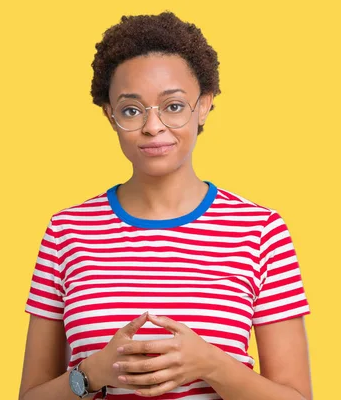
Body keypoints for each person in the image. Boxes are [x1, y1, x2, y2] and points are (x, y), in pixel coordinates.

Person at [18, 11, 312, 400]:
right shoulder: (66, 231)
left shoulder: (260, 230)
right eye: (131, 110)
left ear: (203, 105)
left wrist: (211, 365)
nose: (152, 126)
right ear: (110, 115)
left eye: (172, 106)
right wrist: (92, 373)